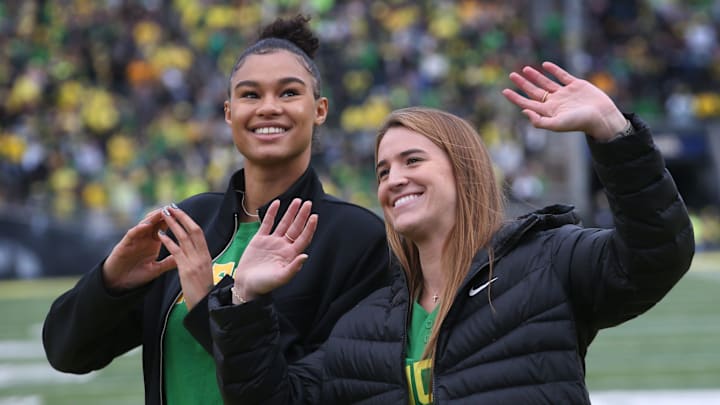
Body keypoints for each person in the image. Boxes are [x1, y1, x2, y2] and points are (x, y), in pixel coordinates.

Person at [206, 61, 695, 404]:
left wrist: (614, 133)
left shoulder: (545, 262)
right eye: (382, 172)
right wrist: (245, 300)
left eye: (412, 160)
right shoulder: (369, 322)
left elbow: (654, 258)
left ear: (463, 170)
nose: (394, 179)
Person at [41, 15, 389, 405]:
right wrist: (112, 282)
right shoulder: (189, 224)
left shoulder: (357, 239)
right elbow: (66, 352)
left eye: (289, 93)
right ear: (228, 113)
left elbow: (320, 390)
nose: (268, 108)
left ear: (320, 109)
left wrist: (212, 301)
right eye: (250, 95)